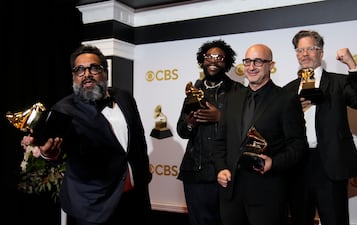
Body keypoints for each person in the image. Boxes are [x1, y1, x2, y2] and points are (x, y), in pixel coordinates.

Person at [21, 44, 152, 225]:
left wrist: (144, 176)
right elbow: (57, 146)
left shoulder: (124, 97)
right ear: (74, 77)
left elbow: (139, 138)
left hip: (135, 198)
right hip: (94, 204)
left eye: (94, 68)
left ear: (105, 72)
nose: (87, 74)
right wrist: (49, 153)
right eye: (79, 70)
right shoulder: (64, 109)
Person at [284, 30, 357, 225]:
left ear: (321, 53)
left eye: (311, 48)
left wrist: (352, 65)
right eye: (300, 50)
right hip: (297, 164)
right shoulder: (288, 90)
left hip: (330, 164)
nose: (305, 54)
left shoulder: (339, 82)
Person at [212, 43, 307, 225]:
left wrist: (274, 162)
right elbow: (220, 141)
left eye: (258, 61)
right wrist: (221, 168)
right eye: (247, 61)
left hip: (267, 193)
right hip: (230, 192)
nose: (251, 67)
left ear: (271, 65)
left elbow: (297, 145)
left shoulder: (286, 99)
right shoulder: (232, 98)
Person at [176, 39, 243, 225]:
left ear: (227, 62)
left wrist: (221, 117)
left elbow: (247, 127)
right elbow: (182, 130)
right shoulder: (194, 91)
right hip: (195, 172)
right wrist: (190, 123)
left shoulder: (238, 91)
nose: (213, 61)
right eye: (208, 57)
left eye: (219, 57)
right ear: (202, 60)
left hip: (225, 171)